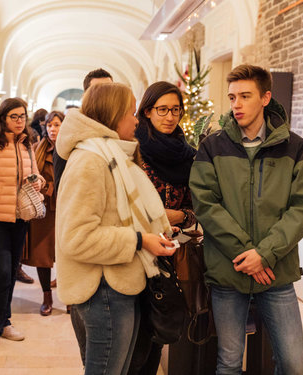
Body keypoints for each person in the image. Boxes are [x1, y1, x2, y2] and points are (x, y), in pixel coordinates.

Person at [189, 64, 303, 374]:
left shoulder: (294, 146)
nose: (236, 104)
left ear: (265, 98)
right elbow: (206, 204)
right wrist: (245, 252)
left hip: (276, 272)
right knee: (229, 362)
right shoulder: (212, 147)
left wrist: (265, 254)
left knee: (292, 362)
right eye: (232, 97)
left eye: (245, 96)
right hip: (228, 271)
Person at [55, 82, 176, 375]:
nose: (136, 120)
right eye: (130, 112)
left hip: (118, 283)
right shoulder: (91, 161)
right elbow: (76, 237)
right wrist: (139, 240)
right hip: (103, 290)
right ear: (112, 115)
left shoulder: (111, 156)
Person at [128, 81, 196, 375]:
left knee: (158, 331)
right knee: (133, 338)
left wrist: (180, 216)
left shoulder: (189, 155)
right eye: (162, 110)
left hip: (168, 254)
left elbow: (198, 208)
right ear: (146, 111)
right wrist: (155, 217)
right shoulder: (133, 151)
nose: (170, 117)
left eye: (175, 110)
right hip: (133, 251)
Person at [0, 97, 44, 354]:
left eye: (22, 116)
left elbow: (36, 175)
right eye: (14, 116)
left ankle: (5, 322)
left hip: (20, 218)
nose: (19, 121)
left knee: (11, 271)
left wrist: (38, 183)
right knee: (1, 272)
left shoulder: (26, 144)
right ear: (3, 118)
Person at [53, 67, 113, 365]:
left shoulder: (114, 140)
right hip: (87, 258)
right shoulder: (76, 144)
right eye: (100, 91)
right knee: (95, 353)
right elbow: (69, 207)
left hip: (112, 259)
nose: (107, 98)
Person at [21, 110, 64, 316]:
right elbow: (29, 173)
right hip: (43, 210)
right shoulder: (37, 149)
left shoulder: (71, 150)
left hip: (66, 208)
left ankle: (69, 296)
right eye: (49, 125)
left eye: (57, 124)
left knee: (66, 254)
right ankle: (46, 296)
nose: (53, 129)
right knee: (42, 255)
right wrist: (38, 183)